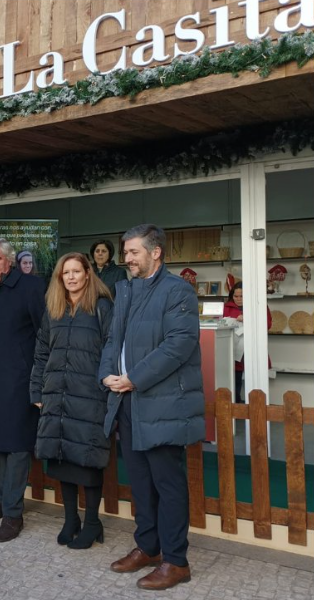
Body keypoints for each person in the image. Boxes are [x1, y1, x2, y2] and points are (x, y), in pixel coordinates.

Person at [100, 224, 204, 591]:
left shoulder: (178, 291)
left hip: (162, 403)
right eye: (125, 252)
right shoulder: (125, 290)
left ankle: (176, 561)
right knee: (141, 482)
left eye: (133, 252)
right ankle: (148, 547)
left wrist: (133, 378)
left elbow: (179, 345)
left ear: (155, 252)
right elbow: (113, 339)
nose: (126, 258)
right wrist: (107, 376)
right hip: (128, 401)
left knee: (168, 484)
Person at [30, 252, 113, 549]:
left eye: (77, 271)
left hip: (90, 396)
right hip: (57, 394)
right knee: (62, 457)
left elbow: (111, 351)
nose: (72, 277)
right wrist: (37, 392)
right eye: (66, 273)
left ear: (88, 274)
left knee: (88, 460)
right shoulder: (54, 308)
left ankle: (92, 522)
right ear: (60, 277)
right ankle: (70, 520)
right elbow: (41, 352)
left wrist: (106, 389)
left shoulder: (102, 307)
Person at [0, 238, 46, 542]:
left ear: (10, 261)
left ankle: (14, 514)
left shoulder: (30, 287)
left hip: (19, 380)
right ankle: (2, 502)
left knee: (16, 446)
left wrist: (38, 379)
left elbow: (44, 333)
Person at [222, 282, 272, 403]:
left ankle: (257, 406)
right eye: (236, 296)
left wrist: (248, 318)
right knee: (235, 378)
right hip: (233, 348)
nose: (238, 299)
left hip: (253, 347)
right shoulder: (226, 307)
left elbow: (268, 324)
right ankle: (236, 404)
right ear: (231, 296)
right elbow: (220, 325)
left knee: (256, 379)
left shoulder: (259, 305)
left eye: (242, 296)